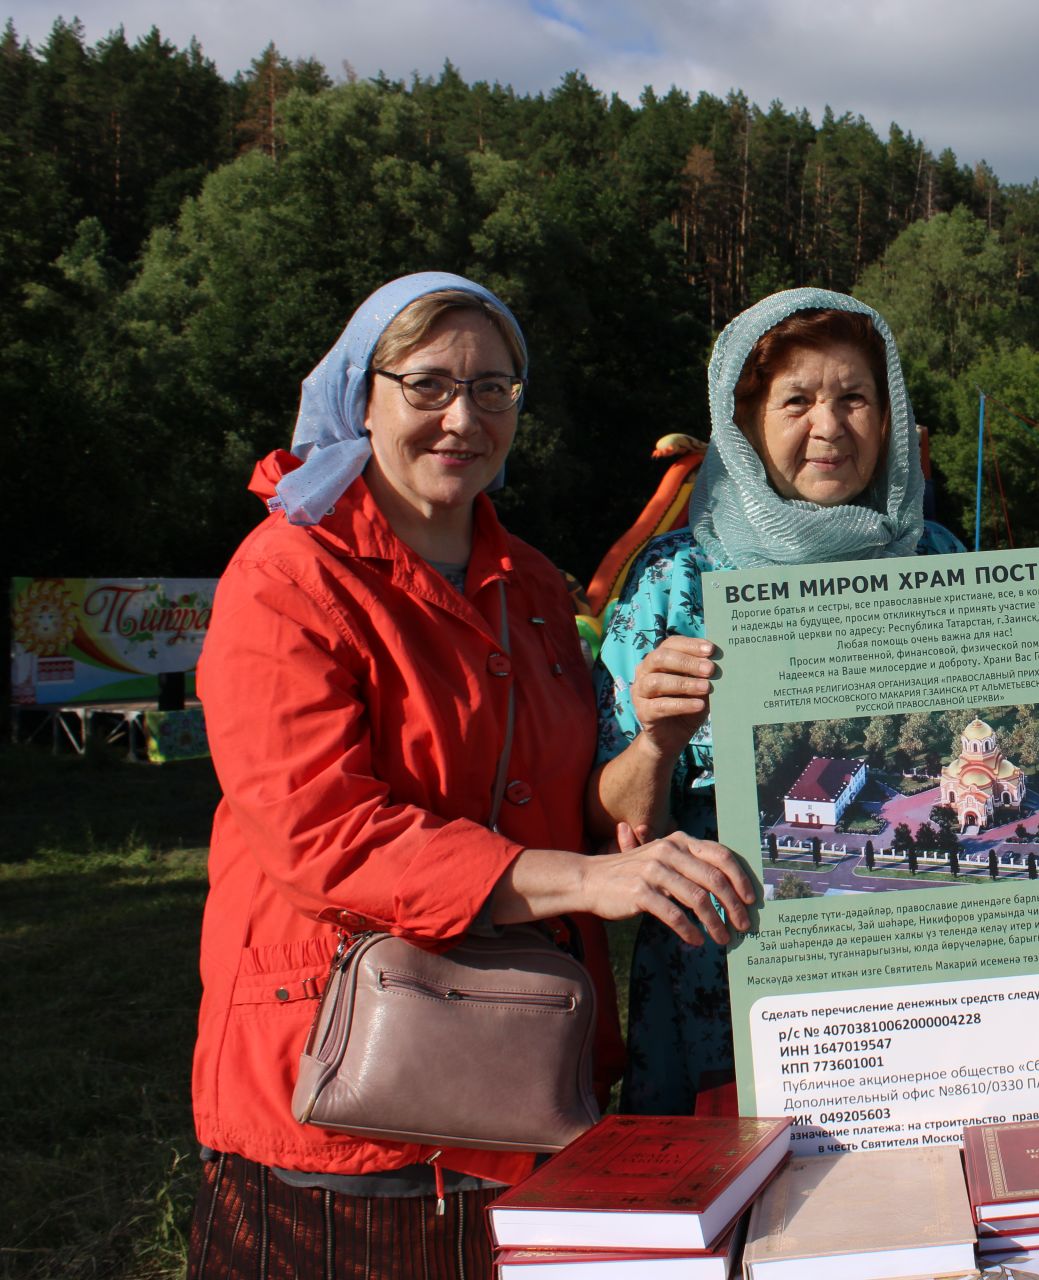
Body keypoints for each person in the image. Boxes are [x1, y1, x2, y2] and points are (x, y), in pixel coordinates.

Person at [187, 273, 751, 1277]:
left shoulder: (533, 585)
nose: (464, 416)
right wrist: (586, 879)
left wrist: (655, 747)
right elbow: (323, 832)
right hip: (343, 1096)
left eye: (496, 388)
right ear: (363, 395)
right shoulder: (288, 575)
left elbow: (576, 803)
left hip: (525, 1084)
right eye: (431, 384)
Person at [592, 287, 964, 1115]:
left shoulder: (937, 559)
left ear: (890, 415)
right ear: (747, 419)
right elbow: (606, 824)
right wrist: (654, 743)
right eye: (796, 400)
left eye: (855, 398)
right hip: (726, 977)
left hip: (916, 968)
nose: (828, 427)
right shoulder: (674, 579)